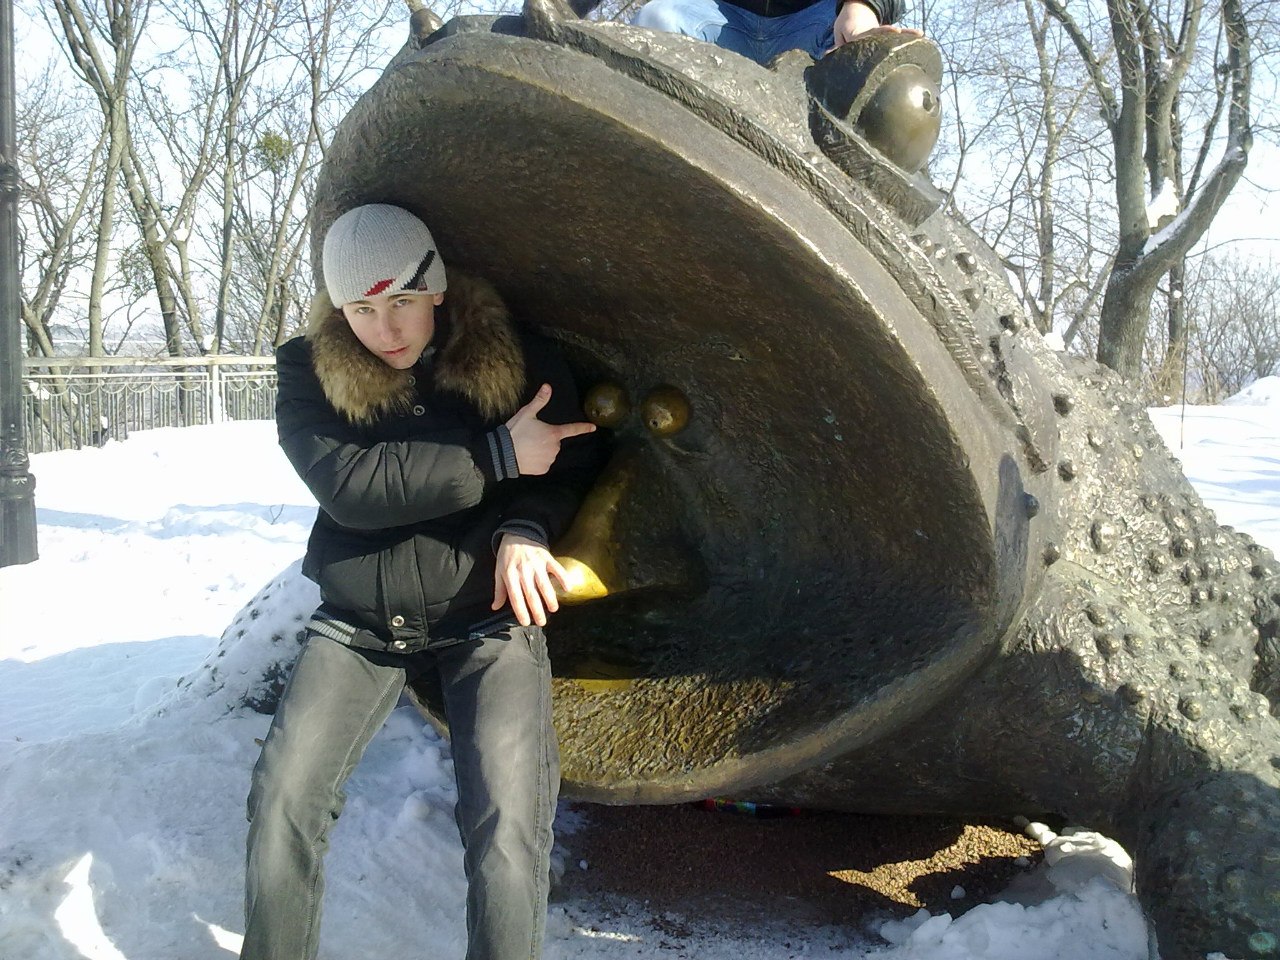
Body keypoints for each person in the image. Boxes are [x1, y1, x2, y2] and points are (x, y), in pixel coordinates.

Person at [240, 203, 600, 960]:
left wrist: (526, 528)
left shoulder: (514, 359)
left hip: (485, 615)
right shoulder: (309, 371)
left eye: (402, 300)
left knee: (509, 826)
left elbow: (566, 466)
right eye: (362, 310)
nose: (386, 329)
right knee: (283, 802)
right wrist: (496, 456)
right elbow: (350, 488)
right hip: (359, 622)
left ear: (435, 287)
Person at [631, 0, 917, 67]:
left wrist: (862, 6)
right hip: (720, 17)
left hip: (810, 26)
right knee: (656, 18)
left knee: (860, 58)